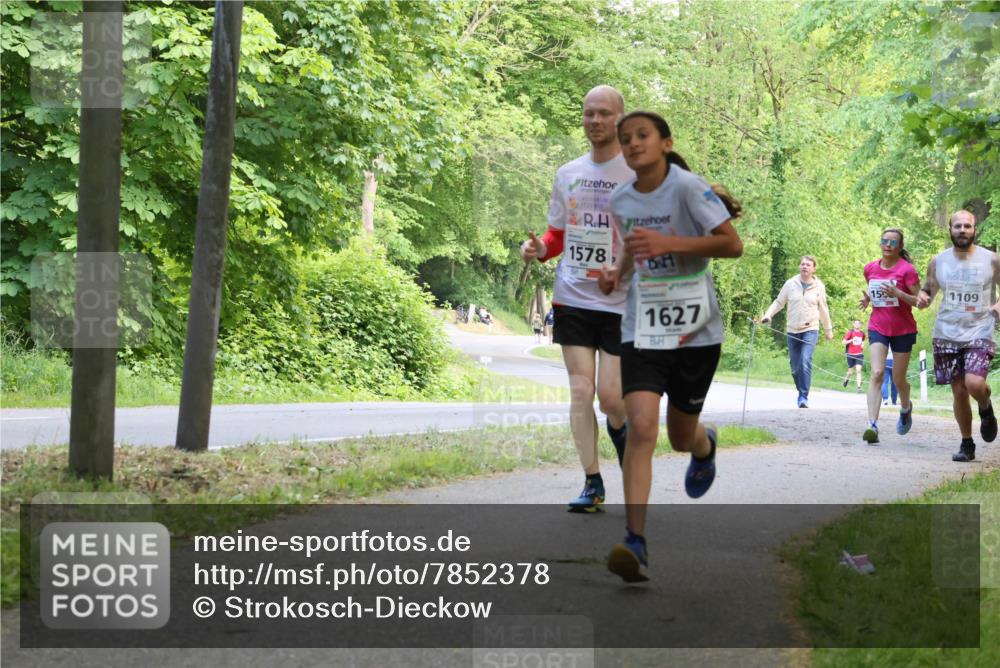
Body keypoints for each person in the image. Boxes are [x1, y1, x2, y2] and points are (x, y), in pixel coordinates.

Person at [596, 111, 743, 582]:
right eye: (626, 139)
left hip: (696, 329)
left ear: (665, 143)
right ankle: (634, 541)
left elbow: (731, 244)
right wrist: (617, 274)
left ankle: (704, 446)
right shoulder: (621, 199)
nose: (633, 143)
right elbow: (634, 246)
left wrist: (669, 241)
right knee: (640, 426)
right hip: (644, 327)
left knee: (681, 437)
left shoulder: (686, 187)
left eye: (642, 136)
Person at [519, 85, 633, 512]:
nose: (595, 121)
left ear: (620, 119)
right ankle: (592, 483)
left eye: (604, 113)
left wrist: (620, 270)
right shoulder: (568, 173)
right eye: (589, 114)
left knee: (611, 400)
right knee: (581, 393)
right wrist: (536, 249)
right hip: (573, 297)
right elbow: (557, 236)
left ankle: (625, 447)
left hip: (621, 303)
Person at [916, 210, 999, 462]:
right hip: (946, 333)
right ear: (950, 229)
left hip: (980, 329)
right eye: (957, 226)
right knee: (959, 391)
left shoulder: (992, 260)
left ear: (975, 230)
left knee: (974, 384)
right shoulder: (938, 261)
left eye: (967, 226)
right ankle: (967, 444)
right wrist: (922, 296)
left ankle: (986, 408)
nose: (962, 230)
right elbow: (927, 290)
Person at [858, 228, 921, 444]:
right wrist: (869, 300)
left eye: (893, 242)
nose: (887, 245)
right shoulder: (870, 268)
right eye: (884, 241)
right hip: (878, 326)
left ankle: (905, 407)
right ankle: (872, 426)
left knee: (898, 379)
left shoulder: (907, 270)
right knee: (876, 373)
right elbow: (875, 291)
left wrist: (899, 294)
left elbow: (920, 302)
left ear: (900, 247)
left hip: (903, 329)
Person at [760, 256, 834, 408]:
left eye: (808, 265)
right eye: (802, 264)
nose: (804, 267)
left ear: (814, 268)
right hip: (792, 330)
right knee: (795, 368)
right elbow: (779, 302)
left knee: (805, 361)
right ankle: (800, 391)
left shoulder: (819, 286)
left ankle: (803, 397)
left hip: (810, 329)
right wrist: (768, 314)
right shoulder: (790, 284)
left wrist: (828, 330)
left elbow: (823, 308)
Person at [842, 319, 865, 392]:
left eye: (859, 324)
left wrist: (862, 345)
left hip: (859, 354)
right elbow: (843, 342)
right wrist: (851, 340)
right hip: (850, 354)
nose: (857, 325)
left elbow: (863, 341)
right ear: (853, 325)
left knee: (858, 370)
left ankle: (858, 387)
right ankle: (846, 379)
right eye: (856, 323)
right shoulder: (850, 332)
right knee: (850, 372)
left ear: (860, 325)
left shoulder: (862, 333)